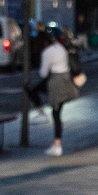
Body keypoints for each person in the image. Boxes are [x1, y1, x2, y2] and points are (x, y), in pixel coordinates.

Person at [35, 30, 78, 158]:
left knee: (55, 112)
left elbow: (43, 73)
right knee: (56, 113)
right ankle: (56, 144)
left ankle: (57, 144)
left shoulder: (47, 52)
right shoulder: (60, 47)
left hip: (56, 82)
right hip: (65, 81)